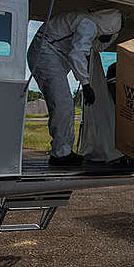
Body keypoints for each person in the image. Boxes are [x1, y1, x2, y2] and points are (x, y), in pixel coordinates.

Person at [27, 9, 122, 166]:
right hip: (46, 52)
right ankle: (61, 153)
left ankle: (62, 150)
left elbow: (96, 47)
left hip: (48, 52)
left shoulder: (88, 23)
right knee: (63, 104)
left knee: (62, 104)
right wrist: (86, 84)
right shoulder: (88, 25)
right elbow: (77, 54)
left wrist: (106, 39)